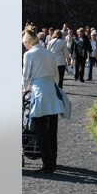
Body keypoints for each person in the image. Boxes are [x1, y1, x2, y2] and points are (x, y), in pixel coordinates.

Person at [22, 28, 63, 173]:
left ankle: (47, 165)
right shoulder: (48, 52)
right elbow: (56, 74)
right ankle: (53, 161)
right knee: (52, 129)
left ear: (28, 42)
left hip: (39, 92)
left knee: (40, 130)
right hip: (51, 90)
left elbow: (26, 76)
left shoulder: (29, 55)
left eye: (24, 43)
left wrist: (25, 89)